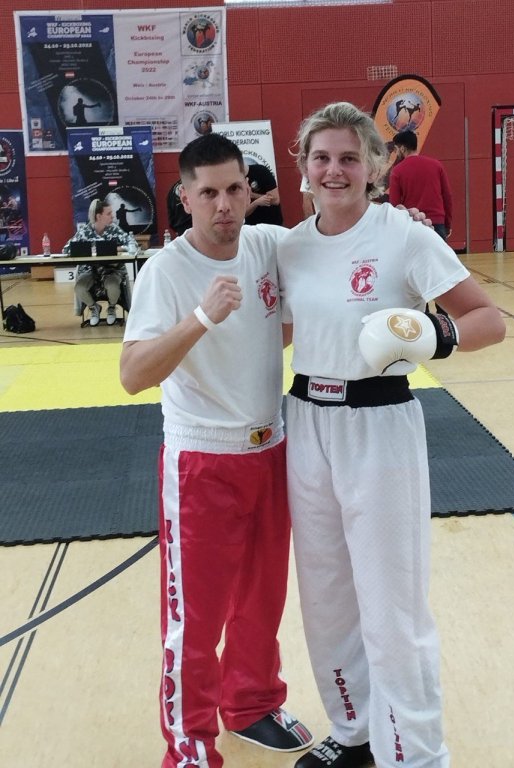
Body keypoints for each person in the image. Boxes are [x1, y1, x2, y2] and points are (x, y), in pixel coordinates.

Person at [277, 102, 506, 768]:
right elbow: (279, 332)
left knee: (391, 607)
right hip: (307, 422)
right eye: (322, 157)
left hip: (380, 426)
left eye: (350, 157)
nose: (334, 170)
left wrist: (434, 333)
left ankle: (416, 755)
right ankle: (354, 733)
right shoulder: (289, 247)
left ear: (376, 166)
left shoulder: (405, 237)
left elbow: (489, 320)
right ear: (303, 166)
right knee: (325, 597)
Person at [119, 133, 313, 768]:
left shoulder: (268, 245)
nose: (225, 205)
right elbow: (132, 375)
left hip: (270, 448)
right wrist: (201, 319)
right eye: (209, 193)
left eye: (235, 189)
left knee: (262, 599)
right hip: (201, 462)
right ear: (185, 198)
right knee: (195, 620)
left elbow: (335, 248)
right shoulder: (166, 271)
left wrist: (398, 226)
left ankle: (252, 704)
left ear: (250, 192)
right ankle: (190, 743)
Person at [63, 199, 131, 326]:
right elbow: (66, 249)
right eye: (109, 213)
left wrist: (118, 248)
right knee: (79, 288)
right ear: (99, 216)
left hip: (111, 270)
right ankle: (94, 308)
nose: (112, 216)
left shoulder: (115, 230)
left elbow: (132, 245)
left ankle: (112, 308)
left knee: (112, 286)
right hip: (90, 271)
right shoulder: (84, 231)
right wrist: (86, 250)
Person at [388, 129, 453, 241]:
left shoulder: (397, 171)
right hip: (437, 223)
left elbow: (395, 205)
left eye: (396, 150)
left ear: (402, 149)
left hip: (413, 225)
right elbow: (447, 196)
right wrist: (447, 224)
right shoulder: (436, 165)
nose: (396, 153)